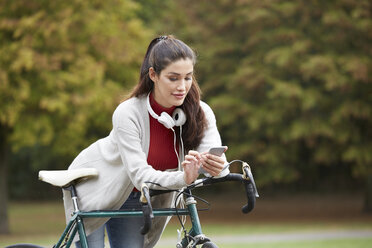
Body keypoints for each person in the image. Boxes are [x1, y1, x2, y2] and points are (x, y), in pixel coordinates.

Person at [63, 35, 228, 248]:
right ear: (153, 75)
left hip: (136, 197)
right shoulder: (128, 112)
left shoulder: (201, 112)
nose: (182, 86)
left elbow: (214, 159)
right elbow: (141, 175)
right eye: (173, 78)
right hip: (96, 187)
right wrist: (183, 177)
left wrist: (216, 167)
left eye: (188, 77)